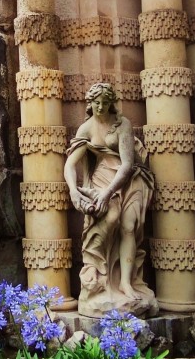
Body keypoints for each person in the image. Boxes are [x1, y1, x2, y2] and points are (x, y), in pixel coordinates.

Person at [63, 82, 158, 317]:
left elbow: (127, 165)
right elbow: (70, 164)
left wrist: (107, 194)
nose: (101, 107)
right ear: (90, 103)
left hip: (129, 179)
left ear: (112, 103)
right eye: (97, 103)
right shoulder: (86, 129)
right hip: (102, 177)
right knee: (110, 217)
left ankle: (126, 282)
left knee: (128, 226)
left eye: (106, 103)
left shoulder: (122, 124)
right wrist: (74, 191)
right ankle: (98, 276)